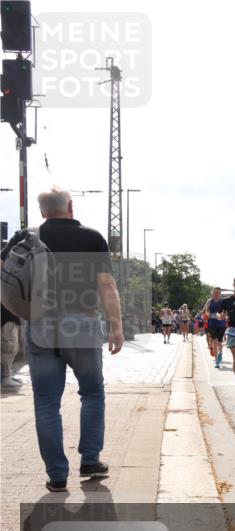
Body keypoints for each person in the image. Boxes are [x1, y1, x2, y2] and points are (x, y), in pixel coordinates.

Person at [1, 186, 125, 491]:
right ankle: (90, 460)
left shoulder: (26, 237)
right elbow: (107, 285)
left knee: (46, 404)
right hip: (81, 322)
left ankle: (57, 475)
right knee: (92, 393)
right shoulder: (92, 237)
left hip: (40, 325)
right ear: (70, 206)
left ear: (43, 211)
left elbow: (5, 273)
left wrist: (17, 306)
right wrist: (116, 325)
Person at [1, 304, 23, 389]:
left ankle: (5, 375)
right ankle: (5, 376)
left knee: (8, 346)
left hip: (8, 312)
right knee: (9, 346)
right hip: (7, 313)